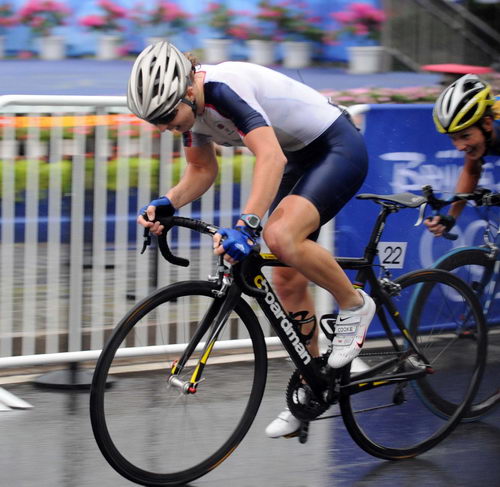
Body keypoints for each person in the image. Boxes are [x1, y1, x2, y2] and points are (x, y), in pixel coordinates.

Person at [127, 41, 376, 438]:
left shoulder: (224, 90)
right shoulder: (191, 114)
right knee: (286, 278)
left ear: (188, 90)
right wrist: (168, 202)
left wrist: (246, 227)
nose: (163, 127)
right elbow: (201, 170)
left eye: (167, 116)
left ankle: (355, 305)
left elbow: (270, 158)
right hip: (300, 157)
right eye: (155, 120)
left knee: (279, 235)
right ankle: (316, 384)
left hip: (336, 147)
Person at [426, 74, 500, 236]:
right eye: (454, 138)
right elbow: (471, 171)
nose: (459, 147)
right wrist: (451, 217)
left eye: (465, 136)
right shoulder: (483, 134)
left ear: (487, 124)